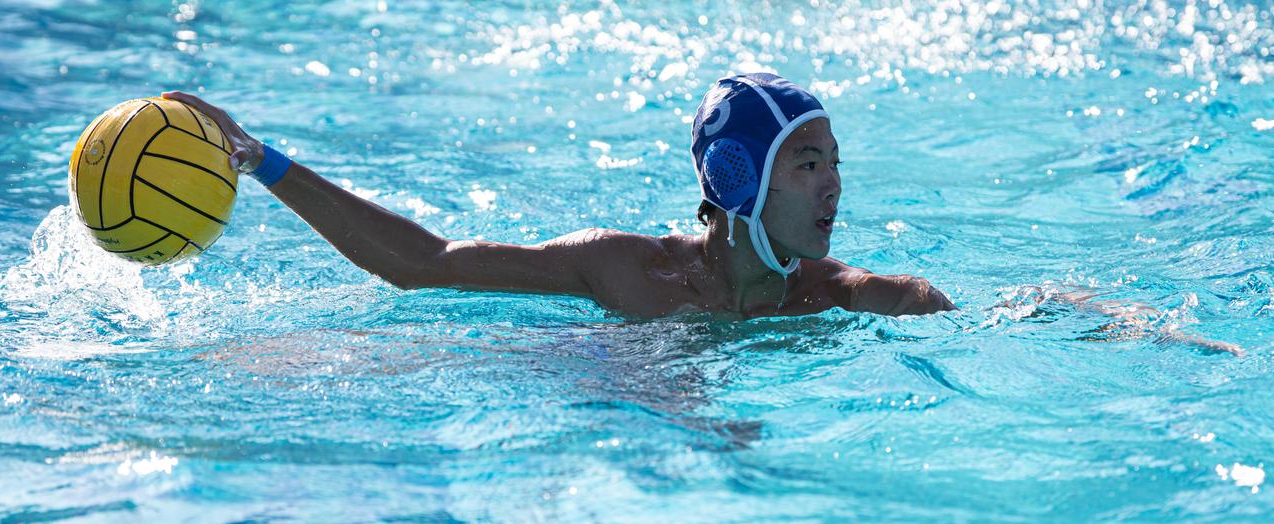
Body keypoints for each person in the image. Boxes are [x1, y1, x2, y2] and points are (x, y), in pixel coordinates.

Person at [161, 72, 956, 319]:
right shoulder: (623, 269)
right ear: (736, 176)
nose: (835, 184)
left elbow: (928, 302)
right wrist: (263, 162)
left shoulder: (831, 298)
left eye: (835, 163)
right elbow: (425, 264)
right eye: (808, 164)